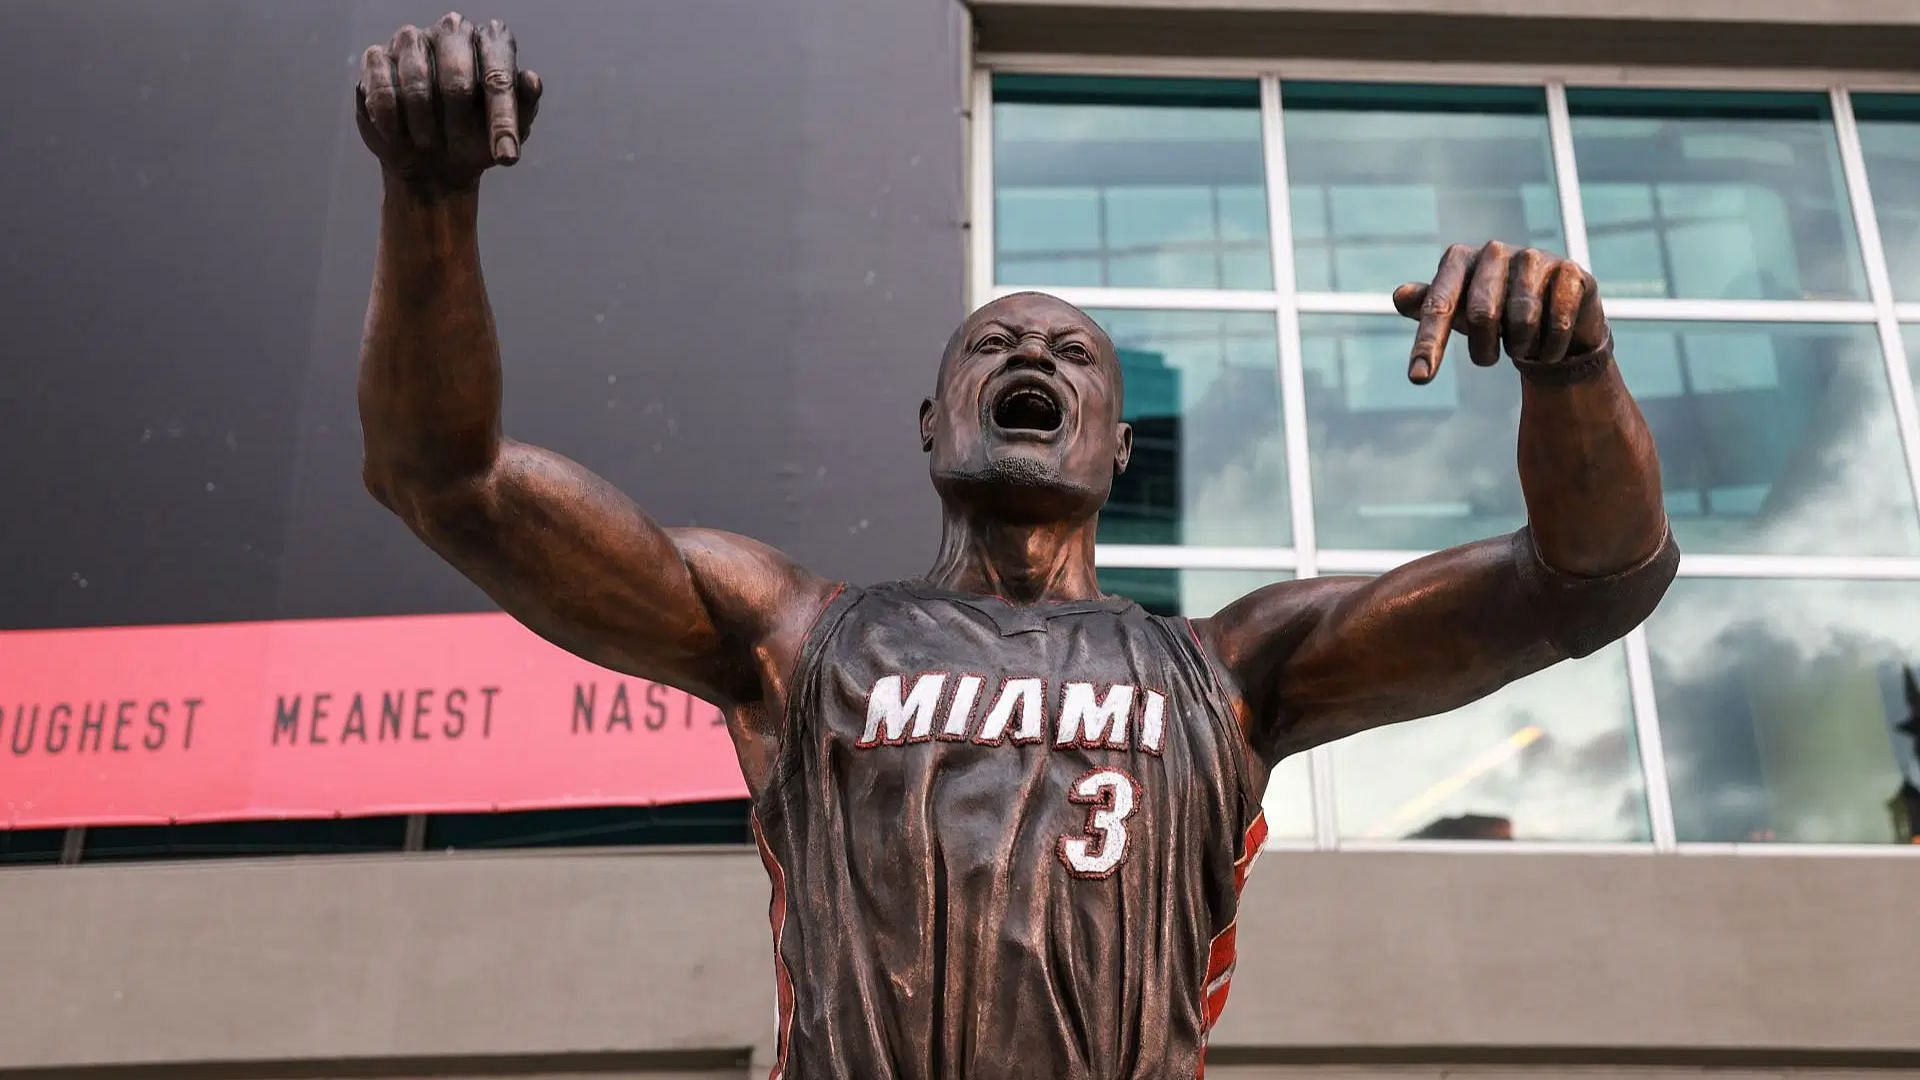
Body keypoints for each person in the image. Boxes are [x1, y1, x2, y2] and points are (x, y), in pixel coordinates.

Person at [353, 15, 1677, 1079]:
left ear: (1115, 453)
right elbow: (447, 479)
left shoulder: (1228, 669)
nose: (1035, 351)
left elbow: (1588, 583)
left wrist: (1575, 377)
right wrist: (427, 202)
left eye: (1073, 355)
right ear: (934, 425)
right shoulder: (795, 635)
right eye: (995, 344)